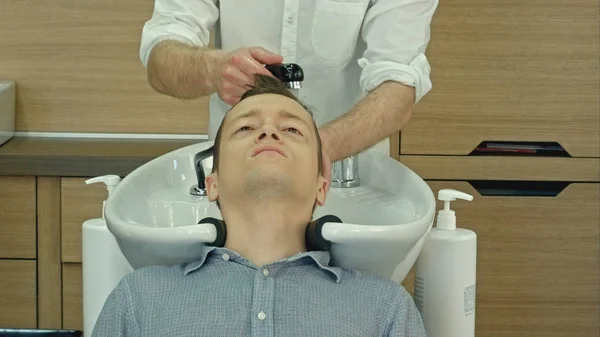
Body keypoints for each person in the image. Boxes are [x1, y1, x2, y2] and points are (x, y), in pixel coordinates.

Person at [91, 74, 426, 336]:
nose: (268, 131)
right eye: (246, 127)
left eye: (292, 129)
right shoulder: (140, 300)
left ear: (321, 187)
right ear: (213, 183)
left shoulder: (384, 308)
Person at [139, 0, 439, 185]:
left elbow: (399, 83)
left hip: (348, 178)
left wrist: (322, 147)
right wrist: (210, 69)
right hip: (237, 181)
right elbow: (161, 56)